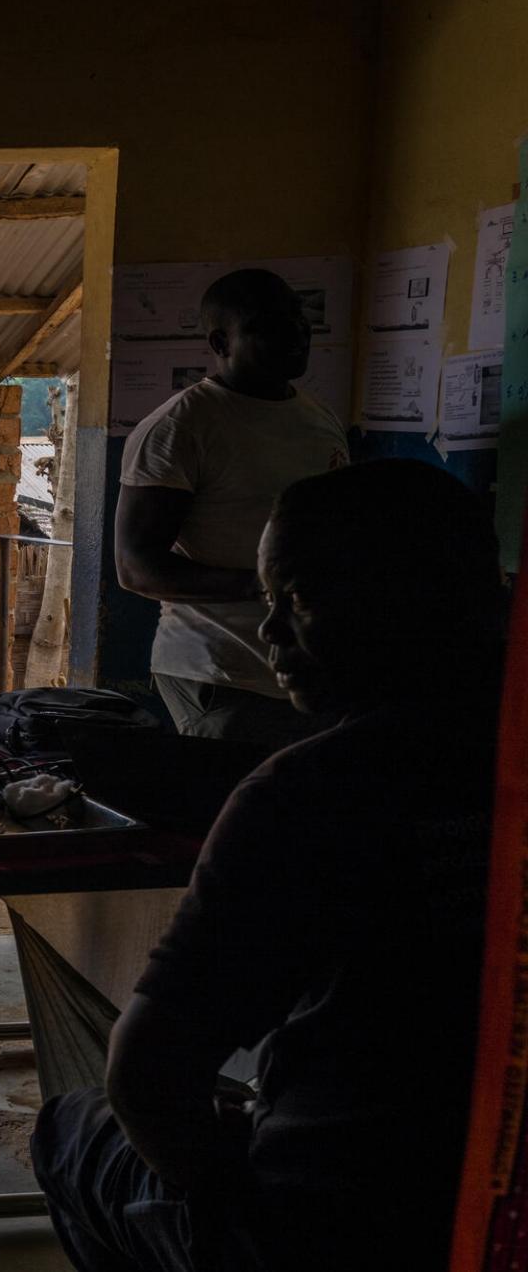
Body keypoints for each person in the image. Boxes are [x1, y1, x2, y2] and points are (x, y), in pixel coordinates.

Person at [32, 459, 507, 1272]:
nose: (270, 631)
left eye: (301, 598)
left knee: (68, 1130)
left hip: (341, 1220)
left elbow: (146, 1080)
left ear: (409, 596)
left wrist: (231, 1211)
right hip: (496, 1203)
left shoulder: (317, 794)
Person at [115, 268, 349, 749]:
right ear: (221, 342)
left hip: (304, 664)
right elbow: (136, 568)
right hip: (218, 667)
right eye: (271, 324)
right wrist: (265, 588)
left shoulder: (318, 417)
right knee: (233, 802)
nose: (298, 333)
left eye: (300, 319)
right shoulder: (182, 427)